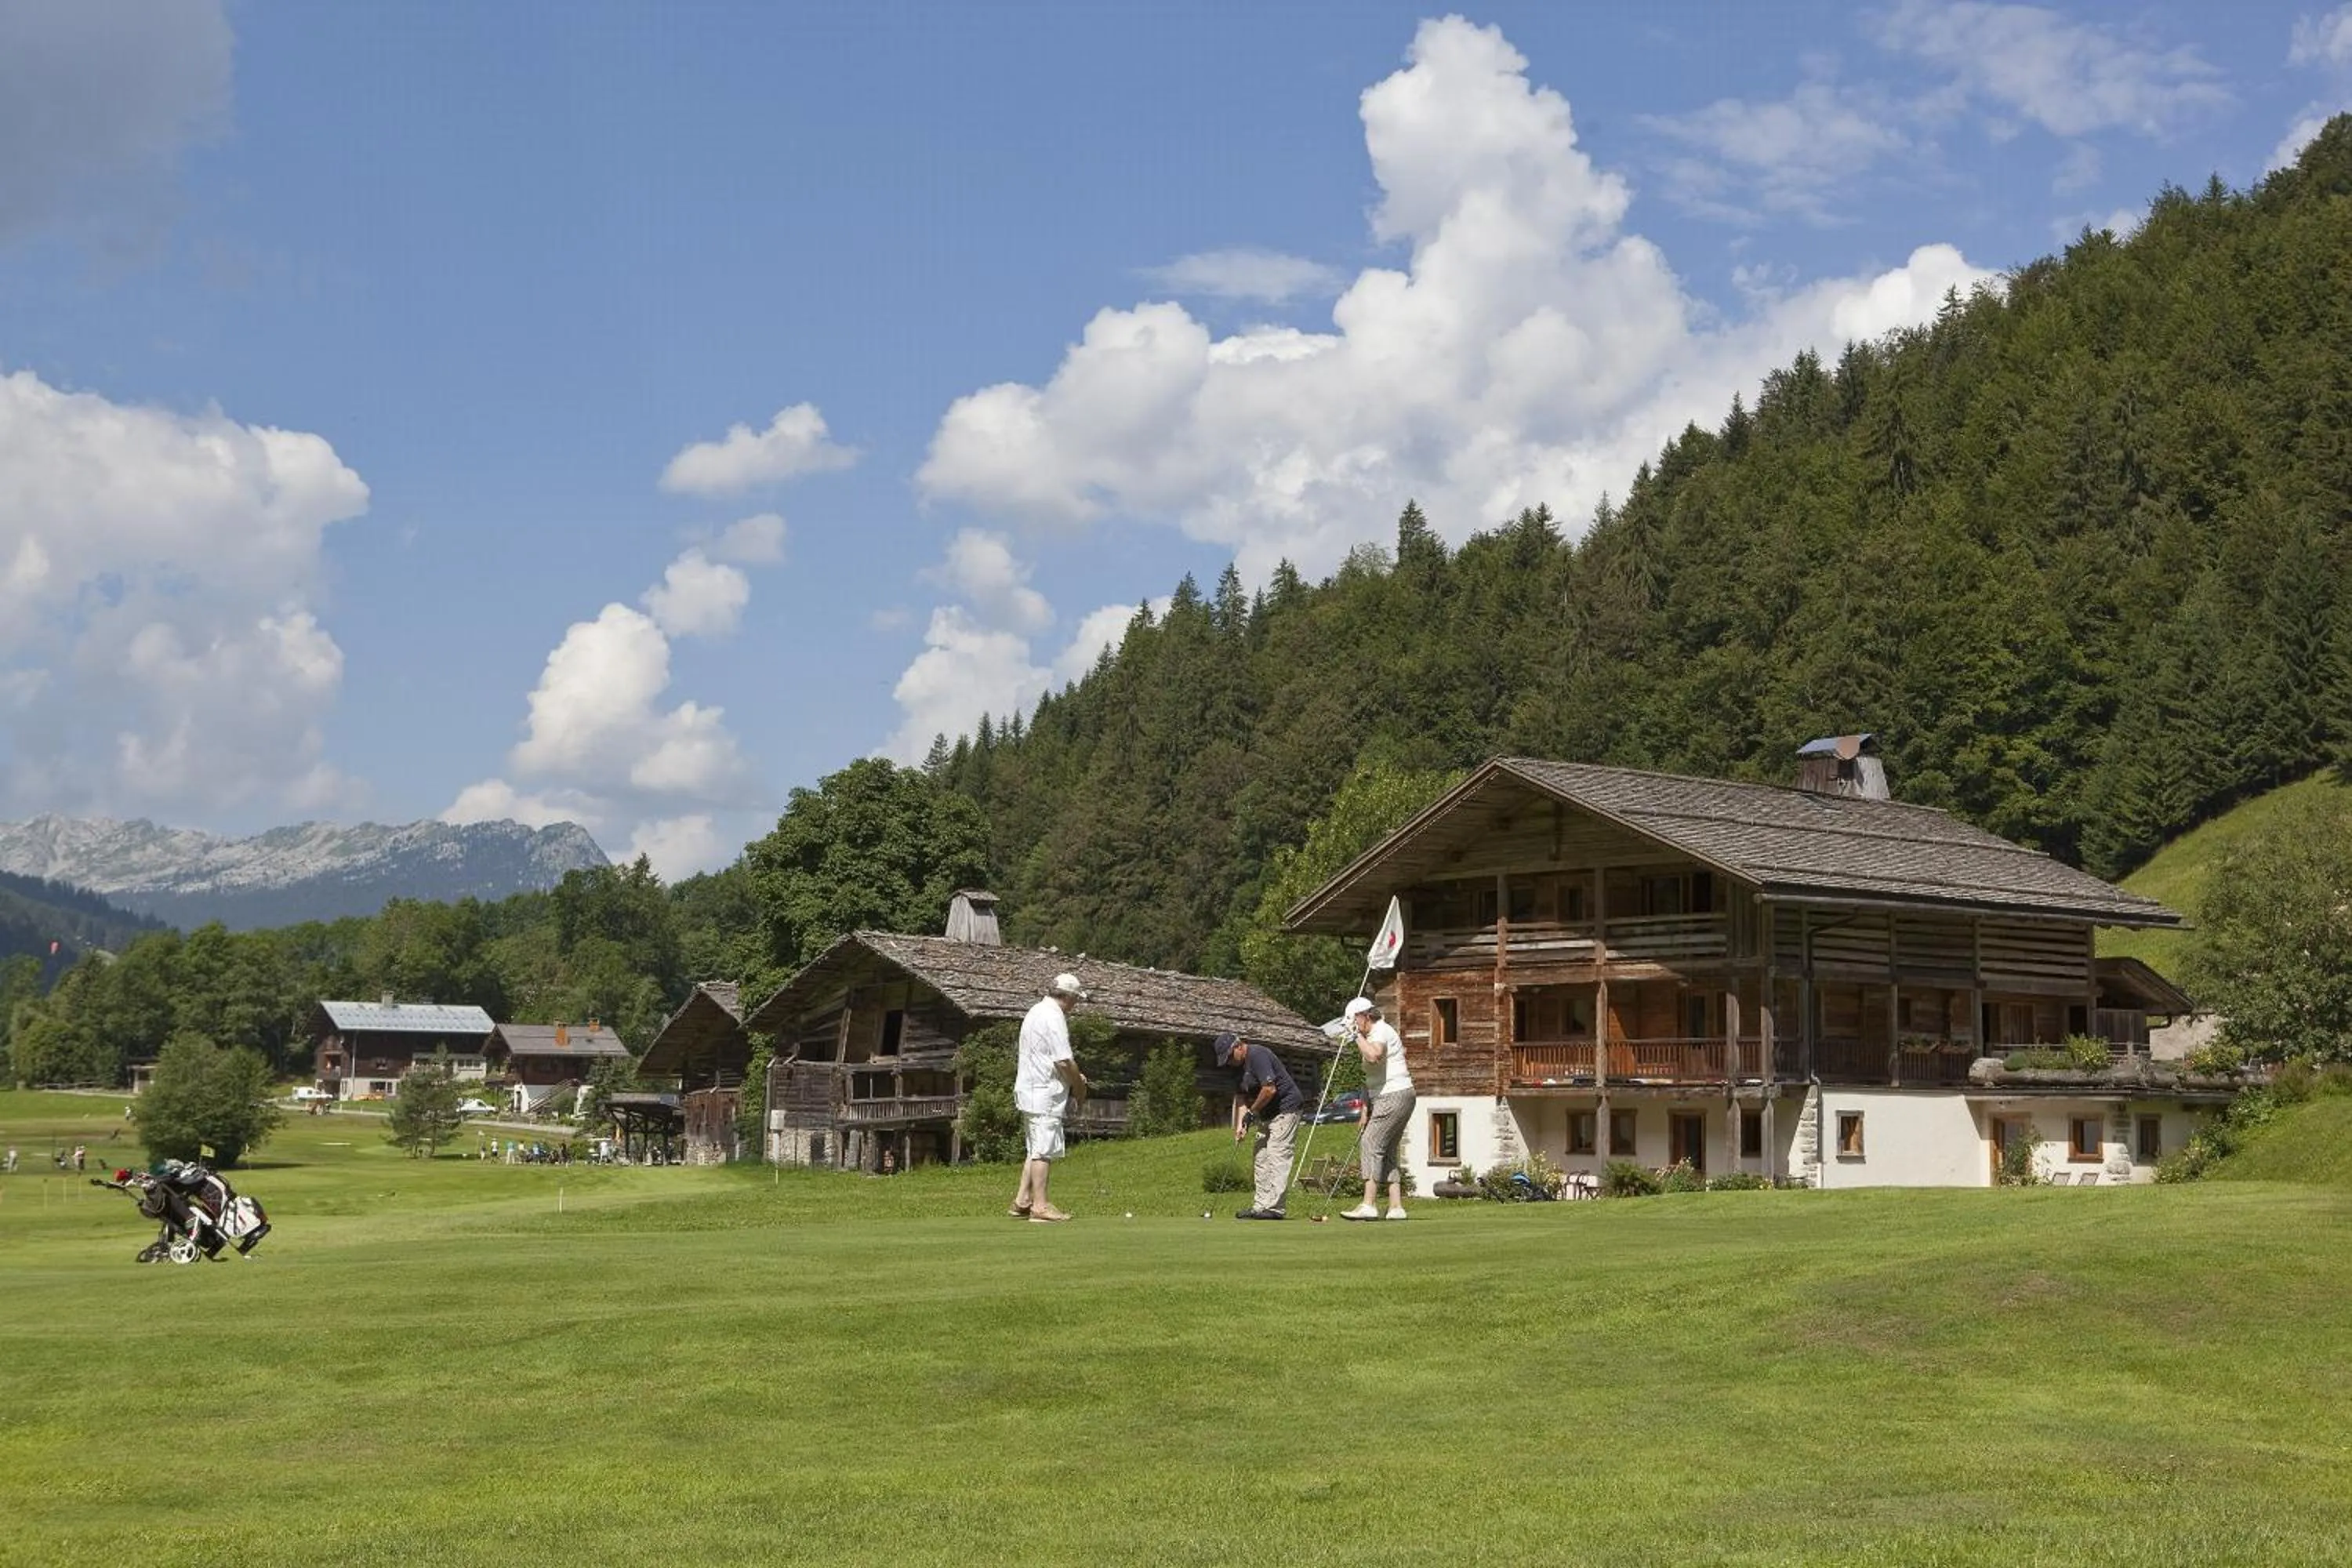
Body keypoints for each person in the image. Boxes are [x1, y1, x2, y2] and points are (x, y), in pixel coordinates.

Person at [1010, 972, 1091, 1222]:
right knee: (1043, 1149)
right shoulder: (1054, 1016)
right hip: (1044, 1092)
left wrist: (1075, 1078)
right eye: (1075, 999)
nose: (1075, 1005)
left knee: (1035, 1146)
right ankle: (1041, 1207)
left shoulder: (1036, 1010)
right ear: (1068, 997)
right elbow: (1064, 1060)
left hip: (1030, 1088)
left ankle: (1023, 1200)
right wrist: (1079, 1087)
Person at [1338, 997, 1414, 1221]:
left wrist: (1357, 1036)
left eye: (1354, 1021)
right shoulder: (1371, 1035)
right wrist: (1365, 1110)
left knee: (1370, 1142)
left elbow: (1374, 1056)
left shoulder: (1380, 1030)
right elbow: (1370, 1079)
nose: (1353, 1025)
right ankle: (1396, 1207)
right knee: (1388, 1149)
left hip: (1394, 1094)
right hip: (1394, 1096)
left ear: (1366, 1017)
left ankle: (1369, 1204)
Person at [1214, 1032, 1304, 1219]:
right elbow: (1240, 1099)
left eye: (1230, 1057)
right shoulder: (1236, 1068)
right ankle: (1261, 1206)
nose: (1229, 1062)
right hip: (1266, 1114)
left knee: (1277, 1154)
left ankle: (1275, 1208)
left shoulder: (1258, 1055)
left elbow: (1269, 1089)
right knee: (1261, 1158)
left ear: (1239, 1046)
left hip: (1286, 1108)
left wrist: (1252, 1112)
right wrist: (1240, 1126)